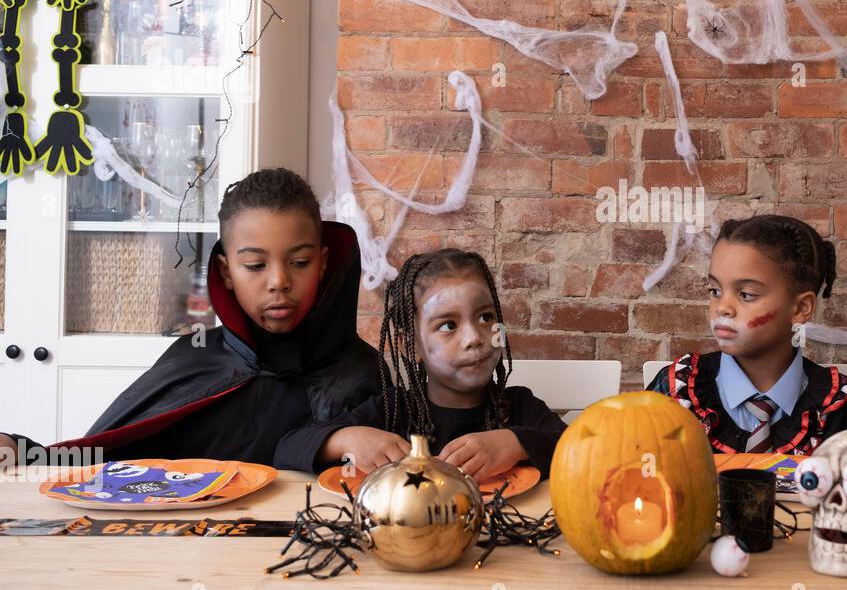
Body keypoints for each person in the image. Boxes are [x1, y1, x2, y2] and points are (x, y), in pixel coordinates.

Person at [0, 168, 380, 470]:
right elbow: (111, 462)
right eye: (254, 265)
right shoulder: (194, 360)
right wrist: (23, 451)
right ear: (227, 271)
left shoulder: (364, 375)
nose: (279, 281)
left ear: (324, 263)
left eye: (299, 262)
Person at [313, 249, 566, 481]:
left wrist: (516, 443)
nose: (474, 338)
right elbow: (288, 445)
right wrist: (347, 439)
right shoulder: (394, 412)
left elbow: (579, 450)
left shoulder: (519, 407)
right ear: (410, 346)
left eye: (485, 317)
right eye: (448, 325)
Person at [649, 214, 847, 455]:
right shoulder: (676, 392)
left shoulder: (843, 410)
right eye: (715, 290)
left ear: (800, 308)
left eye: (746, 294)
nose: (722, 307)